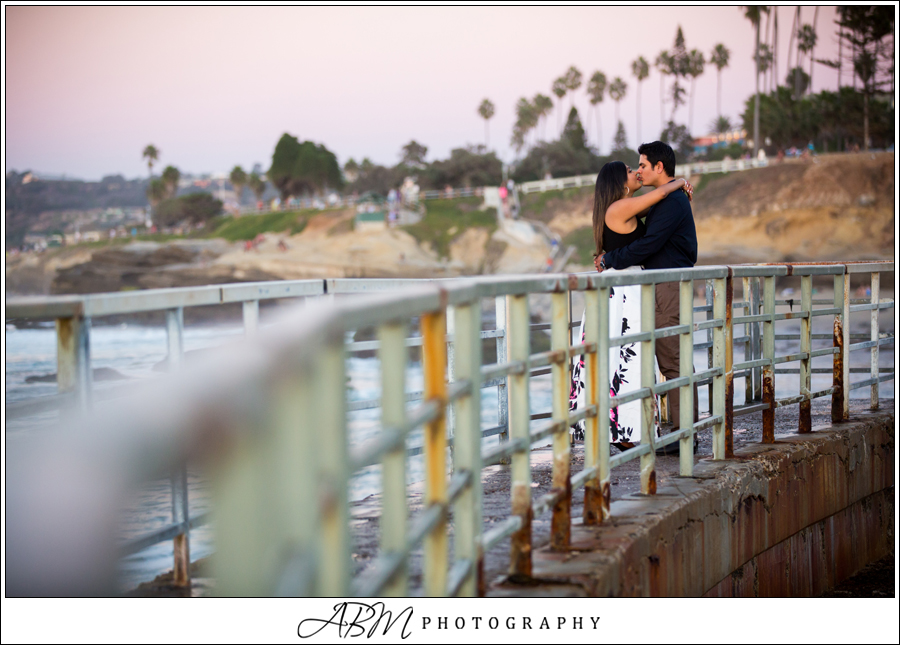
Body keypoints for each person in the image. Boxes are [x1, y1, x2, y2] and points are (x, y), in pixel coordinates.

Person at [569, 160, 691, 450]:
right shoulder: (618, 208)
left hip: (626, 288)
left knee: (625, 360)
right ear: (619, 183)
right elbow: (661, 195)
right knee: (624, 359)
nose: (635, 172)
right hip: (621, 292)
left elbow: (659, 207)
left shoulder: (625, 206)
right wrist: (679, 181)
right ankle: (622, 433)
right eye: (629, 170)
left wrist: (673, 189)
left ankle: (624, 431)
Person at [595, 141, 700, 455]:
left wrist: (609, 258)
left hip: (667, 286)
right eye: (633, 168)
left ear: (658, 167)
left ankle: (684, 438)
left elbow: (649, 244)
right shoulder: (662, 200)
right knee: (656, 362)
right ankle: (665, 433)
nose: (638, 170)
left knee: (674, 362)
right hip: (654, 287)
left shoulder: (671, 202)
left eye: (641, 165)